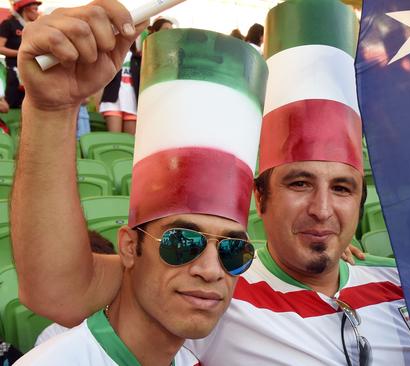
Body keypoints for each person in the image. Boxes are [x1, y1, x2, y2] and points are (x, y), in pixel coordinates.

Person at [13, 1, 410, 365]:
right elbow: (59, 287)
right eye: (299, 183)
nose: (323, 209)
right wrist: (52, 108)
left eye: (343, 188)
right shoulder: (221, 294)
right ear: (260, 198)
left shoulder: (409, 286)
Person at [12, 1, 267, 364]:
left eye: (233, 252)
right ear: (129, 248)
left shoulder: (188, 355)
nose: (211, 271)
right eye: (182, 243)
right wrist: (49, 108)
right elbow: (54, 285)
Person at [0, 0, 40, 108]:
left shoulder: (34, 27)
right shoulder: (9, 24)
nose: (38, 12)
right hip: (14, 72)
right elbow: (0, 48)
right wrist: (23, 54)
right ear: (25, 9)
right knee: (13, 105)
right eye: (35, 9)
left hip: (33, 70)